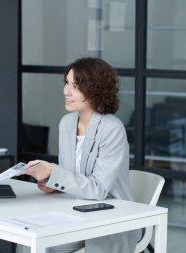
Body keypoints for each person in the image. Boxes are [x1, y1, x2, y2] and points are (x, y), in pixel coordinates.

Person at [21, 58, 141, 253]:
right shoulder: (67, 123)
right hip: (73, 211)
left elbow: (99, 189)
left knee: (46, 245)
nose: (66, 91)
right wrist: (52, 183)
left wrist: (54, 173)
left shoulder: (112, 128)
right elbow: (72, 175)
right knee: (27, 238)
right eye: (67, 83)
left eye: (75, 86)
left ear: (95, 89)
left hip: (107, 219)